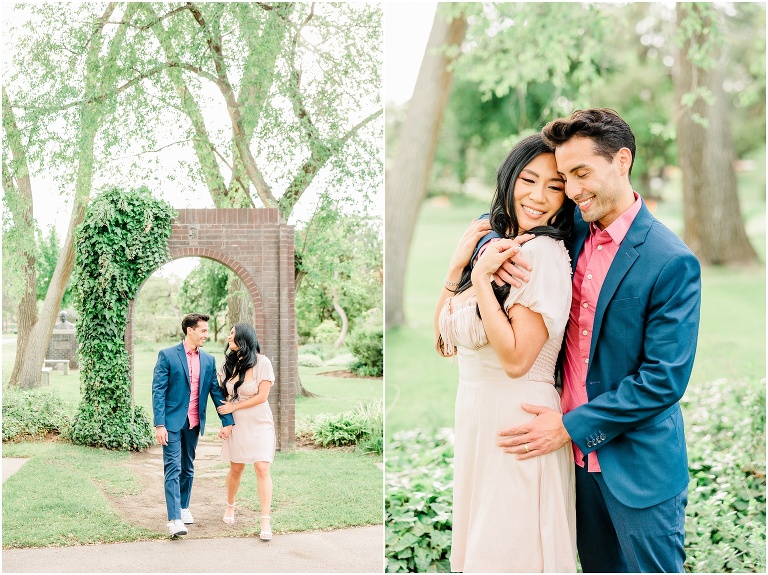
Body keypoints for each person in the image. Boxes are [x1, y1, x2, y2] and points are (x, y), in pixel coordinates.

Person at [495, 109, 702, 573]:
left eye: (581, 173)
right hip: (573, 468)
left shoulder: (672, 262)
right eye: (565, 176)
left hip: (639, 469)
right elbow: (519, 208)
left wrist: (570, 426)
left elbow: (662, 381)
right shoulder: (570, 231)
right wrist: (487, 244)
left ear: (622, 160)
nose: (571, 190)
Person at [434, 133, 578, 572]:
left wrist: (479, 281)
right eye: (529, 180)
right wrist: (457, 266)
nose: (537, 196)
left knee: (508, 555)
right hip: (478, 418)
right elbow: (443, 343)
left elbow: (517, 361)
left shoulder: (543, 255)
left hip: (518, 422)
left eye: (554, 186)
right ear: (509, 176)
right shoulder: (497, 246)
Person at [152, 313, 234, 537]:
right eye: (203, 331)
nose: (206, 335)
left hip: (194, 423)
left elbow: (215, 392)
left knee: (187, 467)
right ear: (190, 330)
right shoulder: (167, 355)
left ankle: (184, 507)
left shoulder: (208, 360)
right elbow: (158, 391)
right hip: (170, 422)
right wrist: (160, 424)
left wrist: (227, 421)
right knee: (173, 467)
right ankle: (174, 519)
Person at [217, 323, 276, 542]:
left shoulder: (263, 362)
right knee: (237, 468)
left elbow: (262, 397)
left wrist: (234, 407)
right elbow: (222, 397)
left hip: (259, 421)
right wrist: (227, 421)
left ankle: (265, 519)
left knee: (262, 467)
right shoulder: (228, 364)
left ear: (243, 338)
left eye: (232, 334)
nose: (229, 337)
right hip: (237, 423)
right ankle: (230, 506)